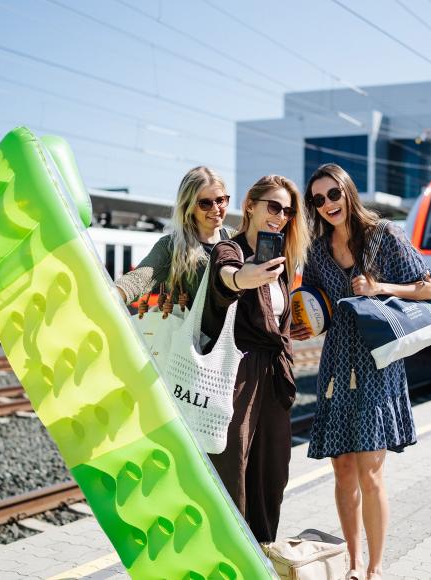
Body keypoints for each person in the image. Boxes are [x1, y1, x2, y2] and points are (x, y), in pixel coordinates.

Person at [292, 163, 431, 580]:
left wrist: (380, 288)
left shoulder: (384, 236)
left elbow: (430, 289)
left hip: (377, 362)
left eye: (333, 194)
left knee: (370, 470)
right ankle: (353, 562)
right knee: (341, 467)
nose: (327, 205)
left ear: (347, 191)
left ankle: (375, 569)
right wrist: (303, 318)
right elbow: (316, 302)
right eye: (317, 200)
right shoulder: (318, 250)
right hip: (337, 362)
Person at [204, 175, 310, 543]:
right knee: (234, 466)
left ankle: (261, 550)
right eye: (274, 207)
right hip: (239, 372)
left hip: (273, 375)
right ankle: (229, 552)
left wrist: (294, 328)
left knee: (272, 469)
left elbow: (276, 316)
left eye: (288, 211)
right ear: (250, 205)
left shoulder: (280, 261)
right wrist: (245, 277)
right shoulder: (229, 249)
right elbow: (227, 275)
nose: (281, 217)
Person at [114, 166, 233, 311]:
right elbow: (138, 280)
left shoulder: (237, 240)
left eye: (220, 200)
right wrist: (109, 296)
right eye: (205, 203)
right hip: (192, 333)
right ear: (188, 206)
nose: (215, 209)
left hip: (234, 334)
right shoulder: (171, 246)